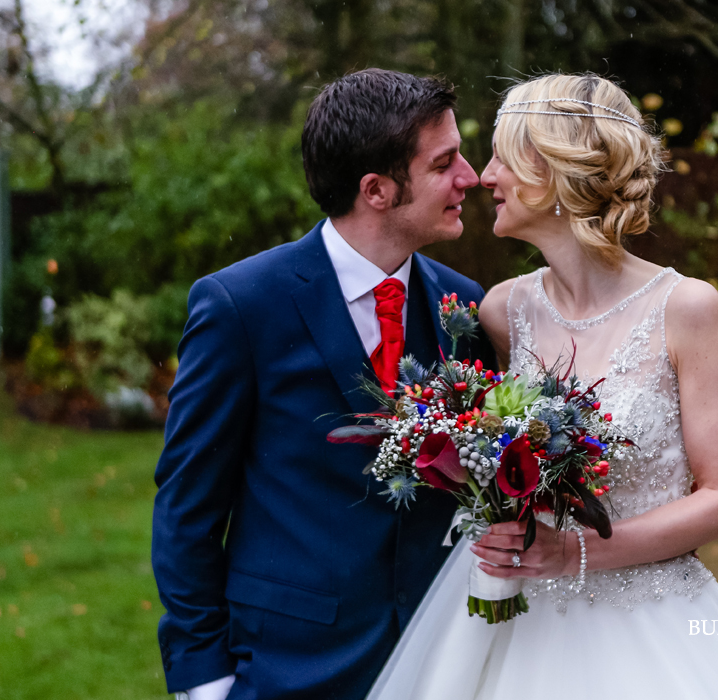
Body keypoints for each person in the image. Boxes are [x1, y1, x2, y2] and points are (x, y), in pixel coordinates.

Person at [367, 73, 718, 699]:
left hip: (652, 623)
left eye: (503, 158)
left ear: (555, 173)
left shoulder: (688, 310)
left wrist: (576, 553)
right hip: (512, 620)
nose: (484, 177)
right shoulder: (503, 312)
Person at [151, 68, 491, 700]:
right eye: (445, 163)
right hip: (288, 665)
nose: (470, 176)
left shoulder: (464, 309)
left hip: (441, 659)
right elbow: (186, 504)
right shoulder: (242, 306)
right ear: (378, 190)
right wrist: (204, 678)